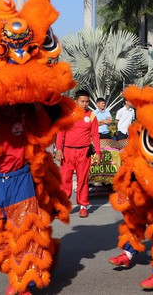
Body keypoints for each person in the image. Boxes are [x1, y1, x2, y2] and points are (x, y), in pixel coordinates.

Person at [56, 90, 100, 218]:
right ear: (76, 101)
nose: (85, 104)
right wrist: (59, 149)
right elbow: (61, 133)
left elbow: (95, 136)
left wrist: (97, 152)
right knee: (65, 180)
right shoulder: (67, 114)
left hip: (84, 152)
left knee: (83, 180)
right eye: (82, 101)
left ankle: (82, 206)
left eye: (87, 101)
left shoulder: (91, 116)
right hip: (68, 151)